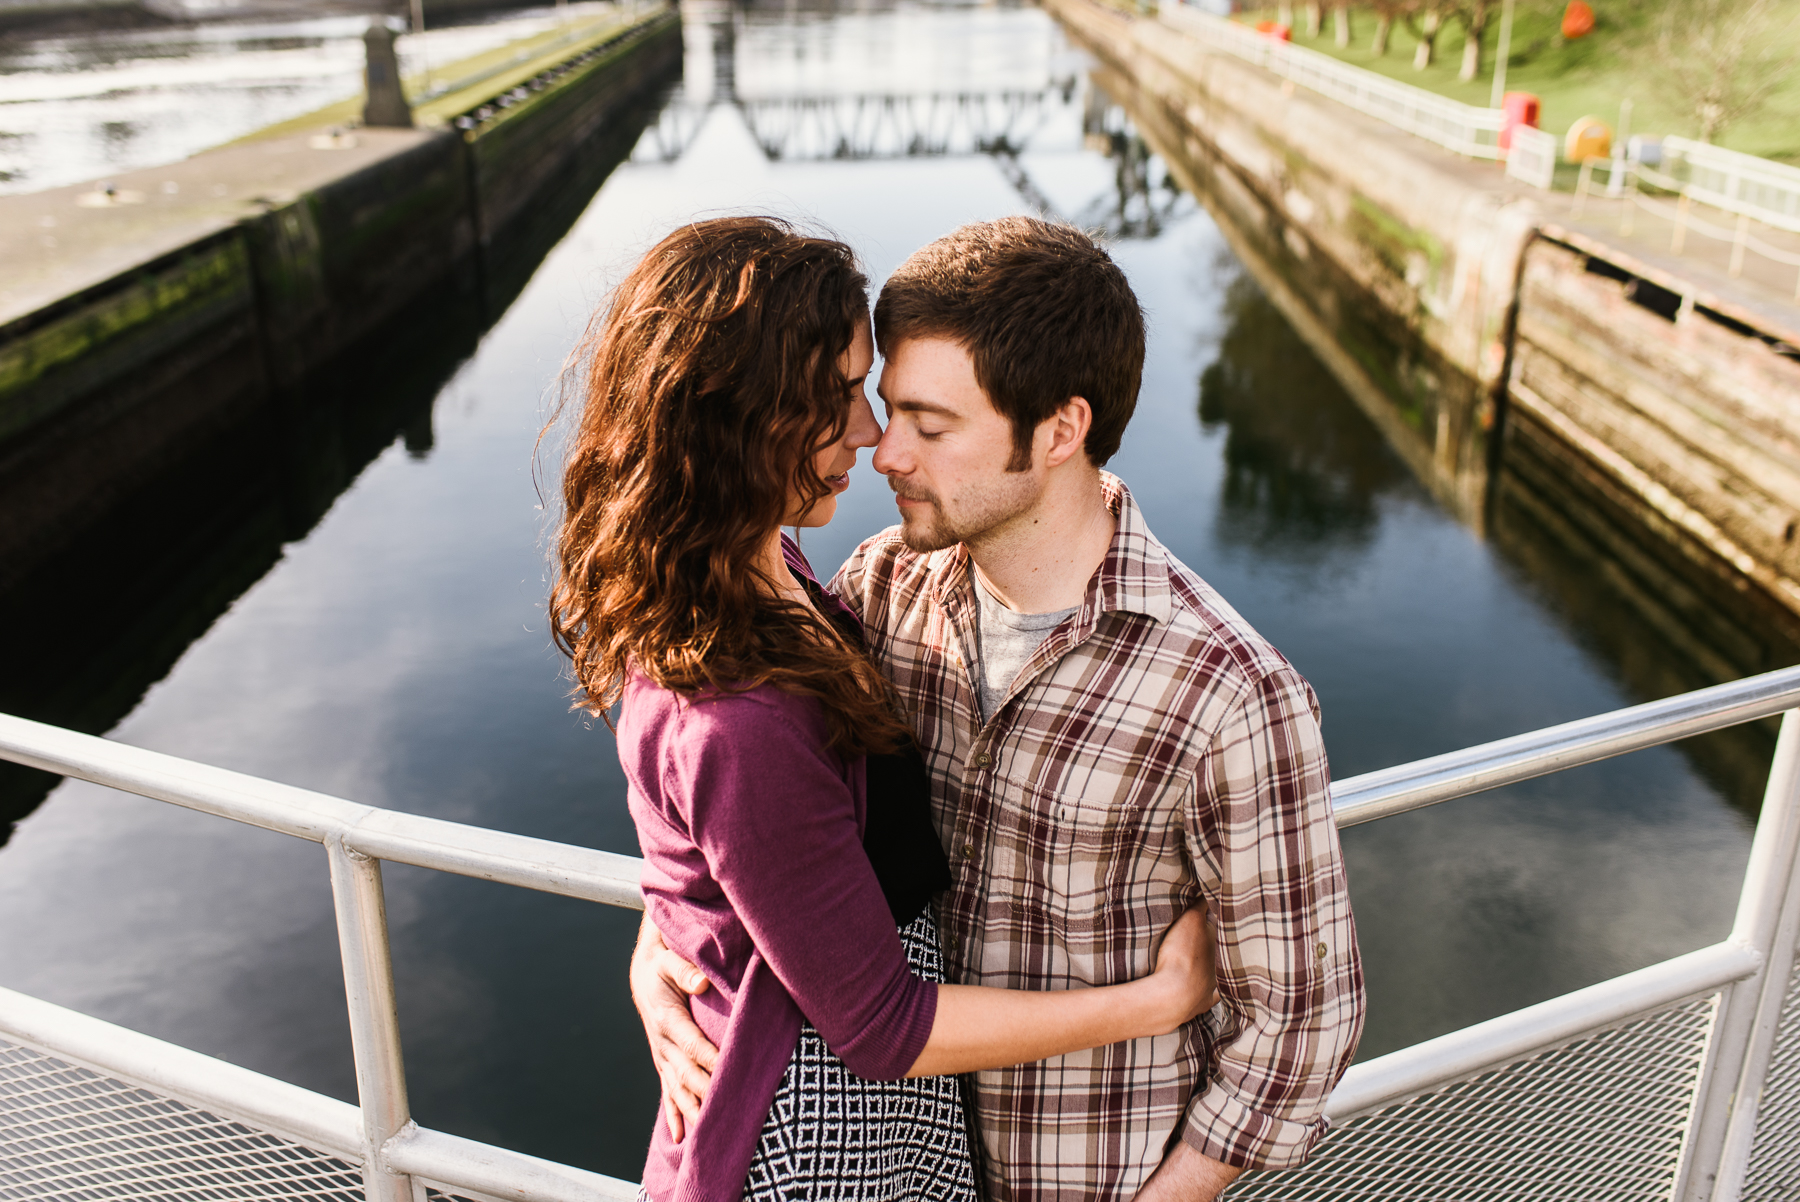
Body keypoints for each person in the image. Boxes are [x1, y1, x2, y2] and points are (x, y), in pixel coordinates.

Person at [634, 217, 1367, 1202]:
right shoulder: (884, 586)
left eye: (931, 428)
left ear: (1059, 431)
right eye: (887, 408)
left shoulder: (1228, 693)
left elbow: (1301, 1018)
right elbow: (755, 816)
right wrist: (669, 942)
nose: (884, 450)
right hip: (895, 1161)